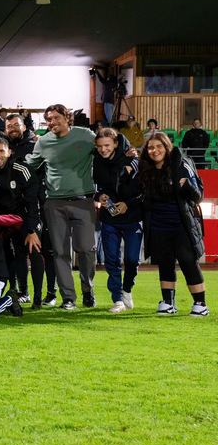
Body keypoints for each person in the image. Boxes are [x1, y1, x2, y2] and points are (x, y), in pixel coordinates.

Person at [25, 103, 98, 311]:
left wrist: (127, 153)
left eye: (56, 118)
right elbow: (30, 167)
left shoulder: (85, 135)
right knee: (59, 252)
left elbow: (107, 145)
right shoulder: (43, 142)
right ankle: (68, 297)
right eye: (48, 119)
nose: (52, 122)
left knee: (86, 249)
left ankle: (88, 289)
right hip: (54, 202)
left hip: (83, 200)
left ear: (67, 118)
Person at [136, 133, 208, 316]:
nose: (155, 151)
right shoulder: (145, 169)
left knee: (188, 262)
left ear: (167, 147)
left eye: (159, 147)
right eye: (151, 148)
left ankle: (201, 304)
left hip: (181, 224)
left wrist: (187, 186)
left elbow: (199, 194)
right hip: (158, 225)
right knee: (165, 263)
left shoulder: (182, 163)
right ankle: (168, 302)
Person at [0, 137, 44, 307]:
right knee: (8, 256)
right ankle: (16, 292)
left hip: (24, 218)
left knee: (34, 252)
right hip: (1, 222)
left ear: (9, 152)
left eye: (1, 151)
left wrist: (31, 230)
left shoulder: (22, 170)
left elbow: (32, 202)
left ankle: (37, 298)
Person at [93, 128, 141, 313]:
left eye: (107, 145)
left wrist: (128, 204)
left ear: (115, 143)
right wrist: (100, 196)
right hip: (109, 218)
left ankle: (127, 289)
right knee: (111, 260)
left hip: (133, 217)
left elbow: (142, 190)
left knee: (131, 260)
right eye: (99, 146)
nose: (103, 149)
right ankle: (118, 298)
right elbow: (96, 186)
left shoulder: (133, 160)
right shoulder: (97, 162)